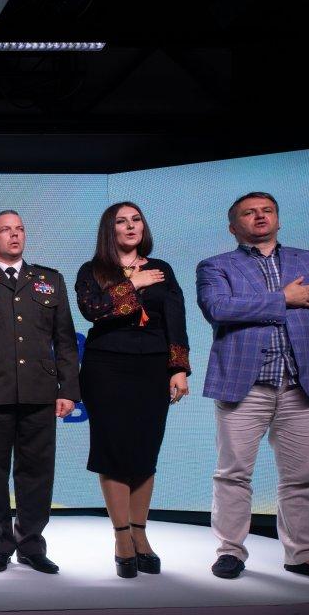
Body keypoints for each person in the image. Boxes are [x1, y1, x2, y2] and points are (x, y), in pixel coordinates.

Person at [197, 191, 309, 584]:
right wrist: (284, 298)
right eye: (249, 213)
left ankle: (302, 555)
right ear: (233, 227)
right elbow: (220, 309)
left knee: (302, 477)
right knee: (232, 474)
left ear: (278, 220)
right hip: (244, 385)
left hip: (303, 384)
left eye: (267, 211)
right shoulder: (216, 266)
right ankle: (230, 552)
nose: (260, 216)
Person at [0, 210, 80, 574]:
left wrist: (69, 389)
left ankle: (31, 545)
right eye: (5, 230)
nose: (14, 235)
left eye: (20, 229)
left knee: (37, 473)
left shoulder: (50, 280)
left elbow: (65, 340)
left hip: (40, 391)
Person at [75, 203, 190, 578]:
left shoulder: (162, 268)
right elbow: (93, 310)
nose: (130, 226)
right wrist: (133, 284)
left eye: (136, 220)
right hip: (106, 367)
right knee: (113, 451)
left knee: (145, 451)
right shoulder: (92, 270)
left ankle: (141, 533)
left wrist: (178, 368)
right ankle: (122, 536)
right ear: (109, 230)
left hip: (152, 368)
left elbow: (175, 318)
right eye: (121, 222)